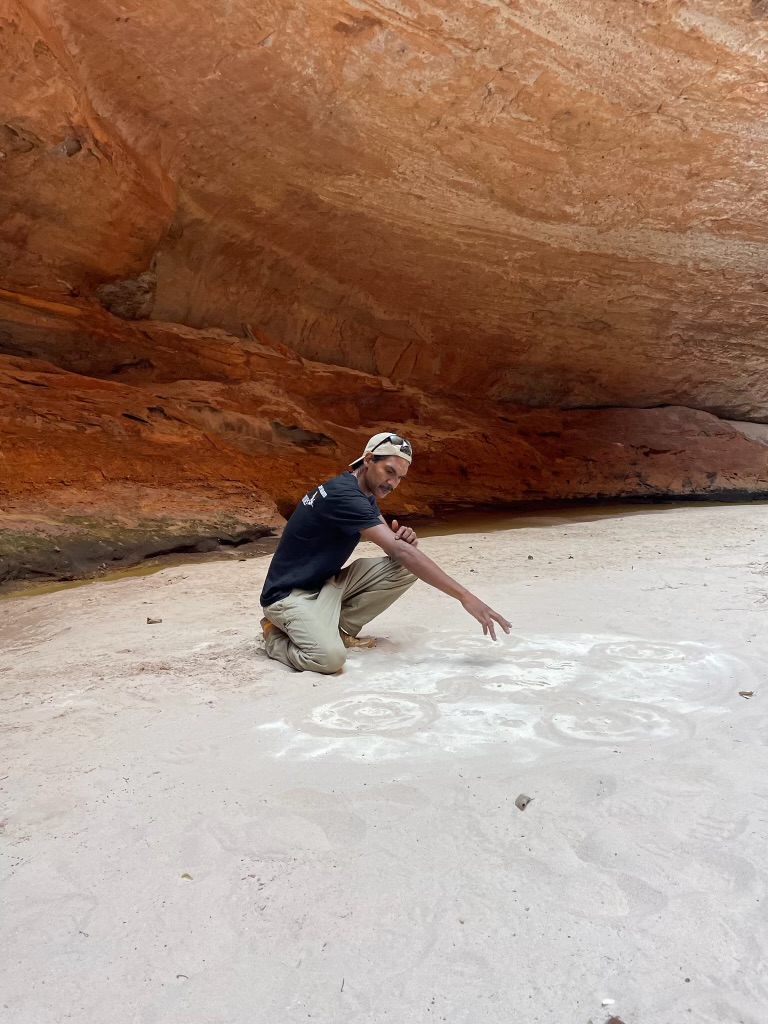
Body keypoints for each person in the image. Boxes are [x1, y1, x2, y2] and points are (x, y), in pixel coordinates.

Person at [260, 431, 511, 674]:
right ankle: (273, 635)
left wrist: (403, 540)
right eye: (389, 471)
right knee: (329, 659)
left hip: (322, 586)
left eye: (400, 477)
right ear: (369, 460)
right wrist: (465, 597)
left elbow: (395, 547)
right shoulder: (344, 495)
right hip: (286, 596)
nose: (392, 483)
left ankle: (338, 630)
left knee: (405, 566)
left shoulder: (361, 492)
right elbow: (397, 549)